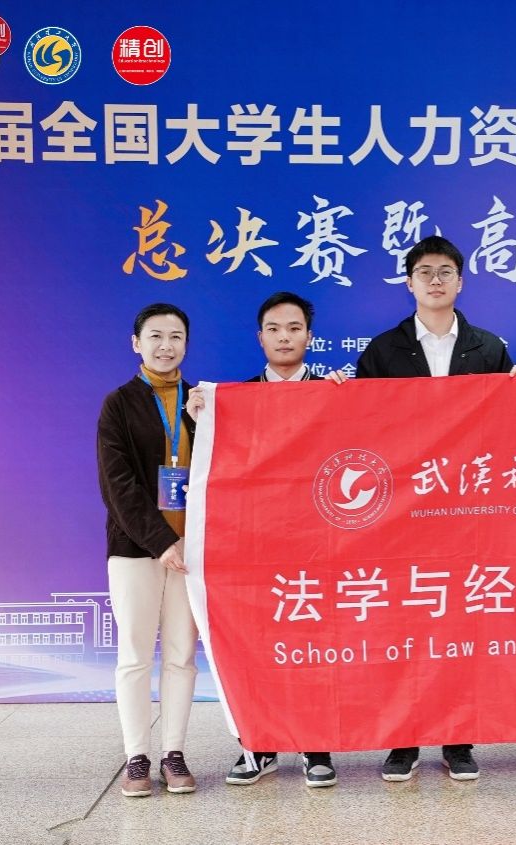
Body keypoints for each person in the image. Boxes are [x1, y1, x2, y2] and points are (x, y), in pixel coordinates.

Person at [330, 235, 513, 781]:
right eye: (425, 272)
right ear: (409, 282)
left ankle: (458, 739)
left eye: (445, 271)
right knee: (404, 624)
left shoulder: (488, 349)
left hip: (468, 512)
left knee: (463, 624)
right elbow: (359, 427)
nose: (435, 280)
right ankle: (403, 739)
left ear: (461, 281)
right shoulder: (384, 350)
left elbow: (510, 429)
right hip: (401, 514)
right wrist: (334, 394)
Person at [186, 292, 336, 788]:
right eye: (274, 329)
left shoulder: (335, 393)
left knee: (315, 646)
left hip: (319, 544)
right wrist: (201, 417)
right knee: (258, 646)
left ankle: (317, 747)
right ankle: (259, 746)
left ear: (309, 336)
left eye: (294, 328)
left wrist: (348, 401)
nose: (284, 337)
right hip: (256, 545)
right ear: (260, 338)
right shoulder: (236, 400)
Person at [97, 303, 199, 797]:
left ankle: (173, 752)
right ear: (136, 343)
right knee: (135, 655)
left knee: (181, 655)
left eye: (175, 336)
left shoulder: (200, 403)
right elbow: (116, 485)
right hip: (136, 549)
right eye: (155, 336)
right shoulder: (118, 404)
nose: (166, 345)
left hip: (193, 551)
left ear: (186, 344)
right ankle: (136, 756)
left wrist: (201, 422)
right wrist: (162, 542)